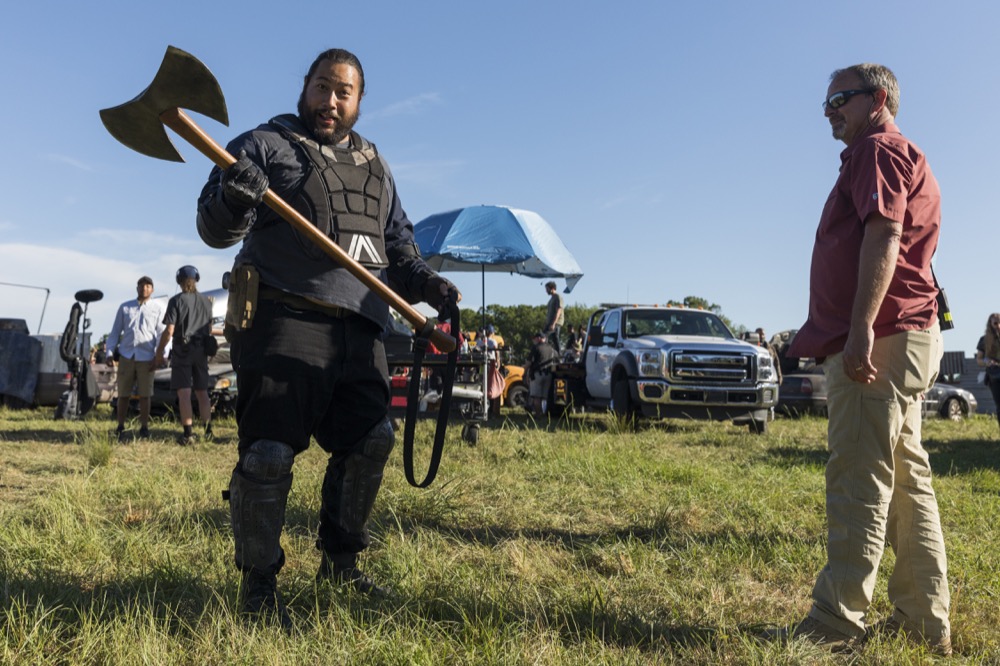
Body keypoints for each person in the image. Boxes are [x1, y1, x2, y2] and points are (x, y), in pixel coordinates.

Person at [196, 47, 460, 628]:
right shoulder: (263, 145)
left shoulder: (376, 164)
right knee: (266, 457)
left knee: (372, 441)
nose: (330, 101)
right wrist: (235, 194)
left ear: (359, 101)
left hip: (364, 324)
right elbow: (214, 227)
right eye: (322, 87)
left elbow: (399, 251)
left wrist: (432, 287)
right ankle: (259, 588)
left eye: (343, 92)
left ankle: (341, 559)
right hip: (285, 318)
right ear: (306, 87)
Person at [769, 64, 951, 655]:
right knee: (904, 480)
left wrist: (860, 329)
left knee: (858, 476)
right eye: (825, 104)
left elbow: (884, 234)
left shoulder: (878, 148)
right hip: (905, 333)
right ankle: (924, 621)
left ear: (878, 99)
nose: (829, 112)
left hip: (885, 337)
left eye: (838, 101)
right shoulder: (883, 153)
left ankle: (835, 623)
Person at [155, 265, 216, 446]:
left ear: (179, 281)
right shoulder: (207, 302)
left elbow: (170, 330)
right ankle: (208, 431)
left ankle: (188, 434)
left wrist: (160, 352)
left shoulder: (176, 301)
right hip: (202, 350)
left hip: (183, 349)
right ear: (196, 279)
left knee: (184, 392)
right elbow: (209, 329)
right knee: (202, 392)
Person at [106, 276, 165, 443]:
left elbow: (162, 334)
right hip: (127, 355)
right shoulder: (125, 307)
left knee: (145, 394)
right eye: (141, 285)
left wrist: (160, 355)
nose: (144, 289)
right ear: (137, 288)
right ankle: (120, 426)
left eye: (147, 286)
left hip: (147, 357)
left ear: (152, 289)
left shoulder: (157, 308)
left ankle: (144, 427)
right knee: (123, 393)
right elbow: (115, 332)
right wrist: (110, 353)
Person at [975, 313, 1000, 432]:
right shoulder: (984, 340)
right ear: (990, 324)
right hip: (995, 376)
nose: (998, 326)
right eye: (995, 323)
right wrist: (987, 362)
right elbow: (979, 360)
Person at [526, 331, 558, 417]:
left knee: (536, 396)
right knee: (545, 397)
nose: (534, 340)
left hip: (537, 375)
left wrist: (524, 369)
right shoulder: (552, 349)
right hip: (549, 375)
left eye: (535, 338)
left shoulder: (536, 348)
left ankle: (538, 414)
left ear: (539, 338)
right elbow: (557, 360)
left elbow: (529, 362)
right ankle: (544, 413)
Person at [543, 281, 564, 352]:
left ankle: (546, 353)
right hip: (550, 322)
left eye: (547, 289)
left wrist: (554, 323)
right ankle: (556, 355)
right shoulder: (551, 299)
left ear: (552, 288)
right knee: (554, 339)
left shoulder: (558, 297)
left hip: (556, 322)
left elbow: (559, 310)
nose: (546, 291)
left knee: (544, 336)